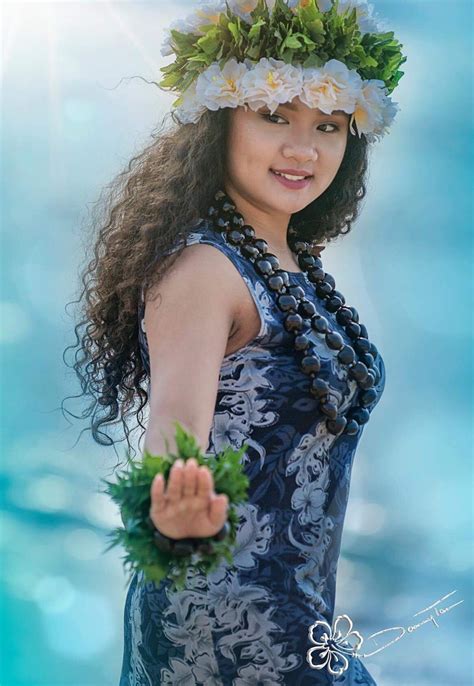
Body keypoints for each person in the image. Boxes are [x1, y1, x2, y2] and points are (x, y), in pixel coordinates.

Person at [64, 1, 406, 683]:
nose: (303, 148)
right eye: (275, 116)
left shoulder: (290, 266)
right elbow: (171, 442)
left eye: (328, 126)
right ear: (220, 122)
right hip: (222, 627)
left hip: (299, 619)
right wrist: (176, 511)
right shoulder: (204, 270)